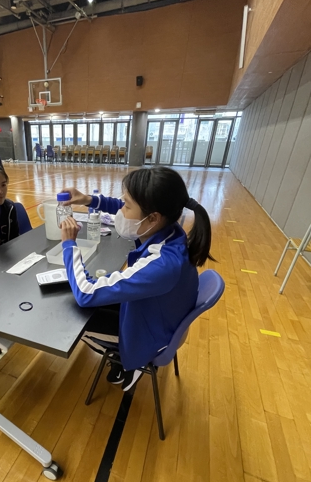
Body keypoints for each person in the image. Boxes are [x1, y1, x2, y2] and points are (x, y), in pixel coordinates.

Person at [59, 166, 214, 392]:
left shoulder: (162, 265)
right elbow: (133, 212)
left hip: (148, 334)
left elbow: (85, 293)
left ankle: (130, 361)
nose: (121, 210)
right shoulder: (170, 229)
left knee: (72, 321)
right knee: (87, 298)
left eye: (126, 205)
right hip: (157, 312)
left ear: (153, 218)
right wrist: (89, 199)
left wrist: (69, 244)